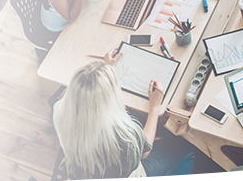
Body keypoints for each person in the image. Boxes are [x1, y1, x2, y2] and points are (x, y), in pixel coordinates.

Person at [53, 49, 199, 181]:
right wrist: (155, 107)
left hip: (87, 171)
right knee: (187, 149)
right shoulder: (123, 136)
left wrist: (104, 68)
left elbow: (88, 95)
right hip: (132, 177)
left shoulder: (59, 109)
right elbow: (145, 151)